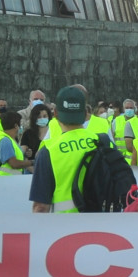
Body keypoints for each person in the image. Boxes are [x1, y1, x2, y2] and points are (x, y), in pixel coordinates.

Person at [29, 85, 104, 213]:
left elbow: (40, 207)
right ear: (85, 113)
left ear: (56, 113)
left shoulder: (49, 151)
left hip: (65, 227)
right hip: (104, 225)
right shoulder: (102, 141)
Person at [0, 111, 33, 176]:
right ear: (16, 126)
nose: (21, 126)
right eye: (20, 124)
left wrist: (24, 154)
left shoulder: (8, 139)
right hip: (5, 181)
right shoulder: (5, 141)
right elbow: (14, 164)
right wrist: (33, 162)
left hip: (9, 181)